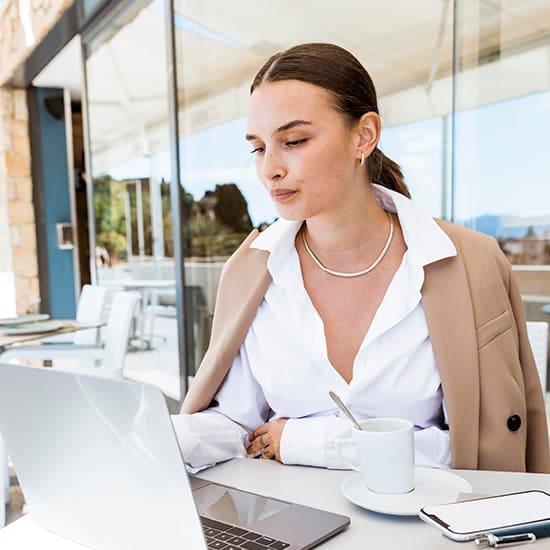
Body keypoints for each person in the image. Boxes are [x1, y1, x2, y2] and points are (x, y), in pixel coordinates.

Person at [172, 43, 550, 474]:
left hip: (431, 531)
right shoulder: (251, 270)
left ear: (364, 135)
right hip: (289, 525)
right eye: (258, 148)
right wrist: (153, 434)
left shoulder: (471, 264)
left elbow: (481, 449)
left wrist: (310, 441)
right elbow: (237, 423)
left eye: (293, 141)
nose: (270, 169)